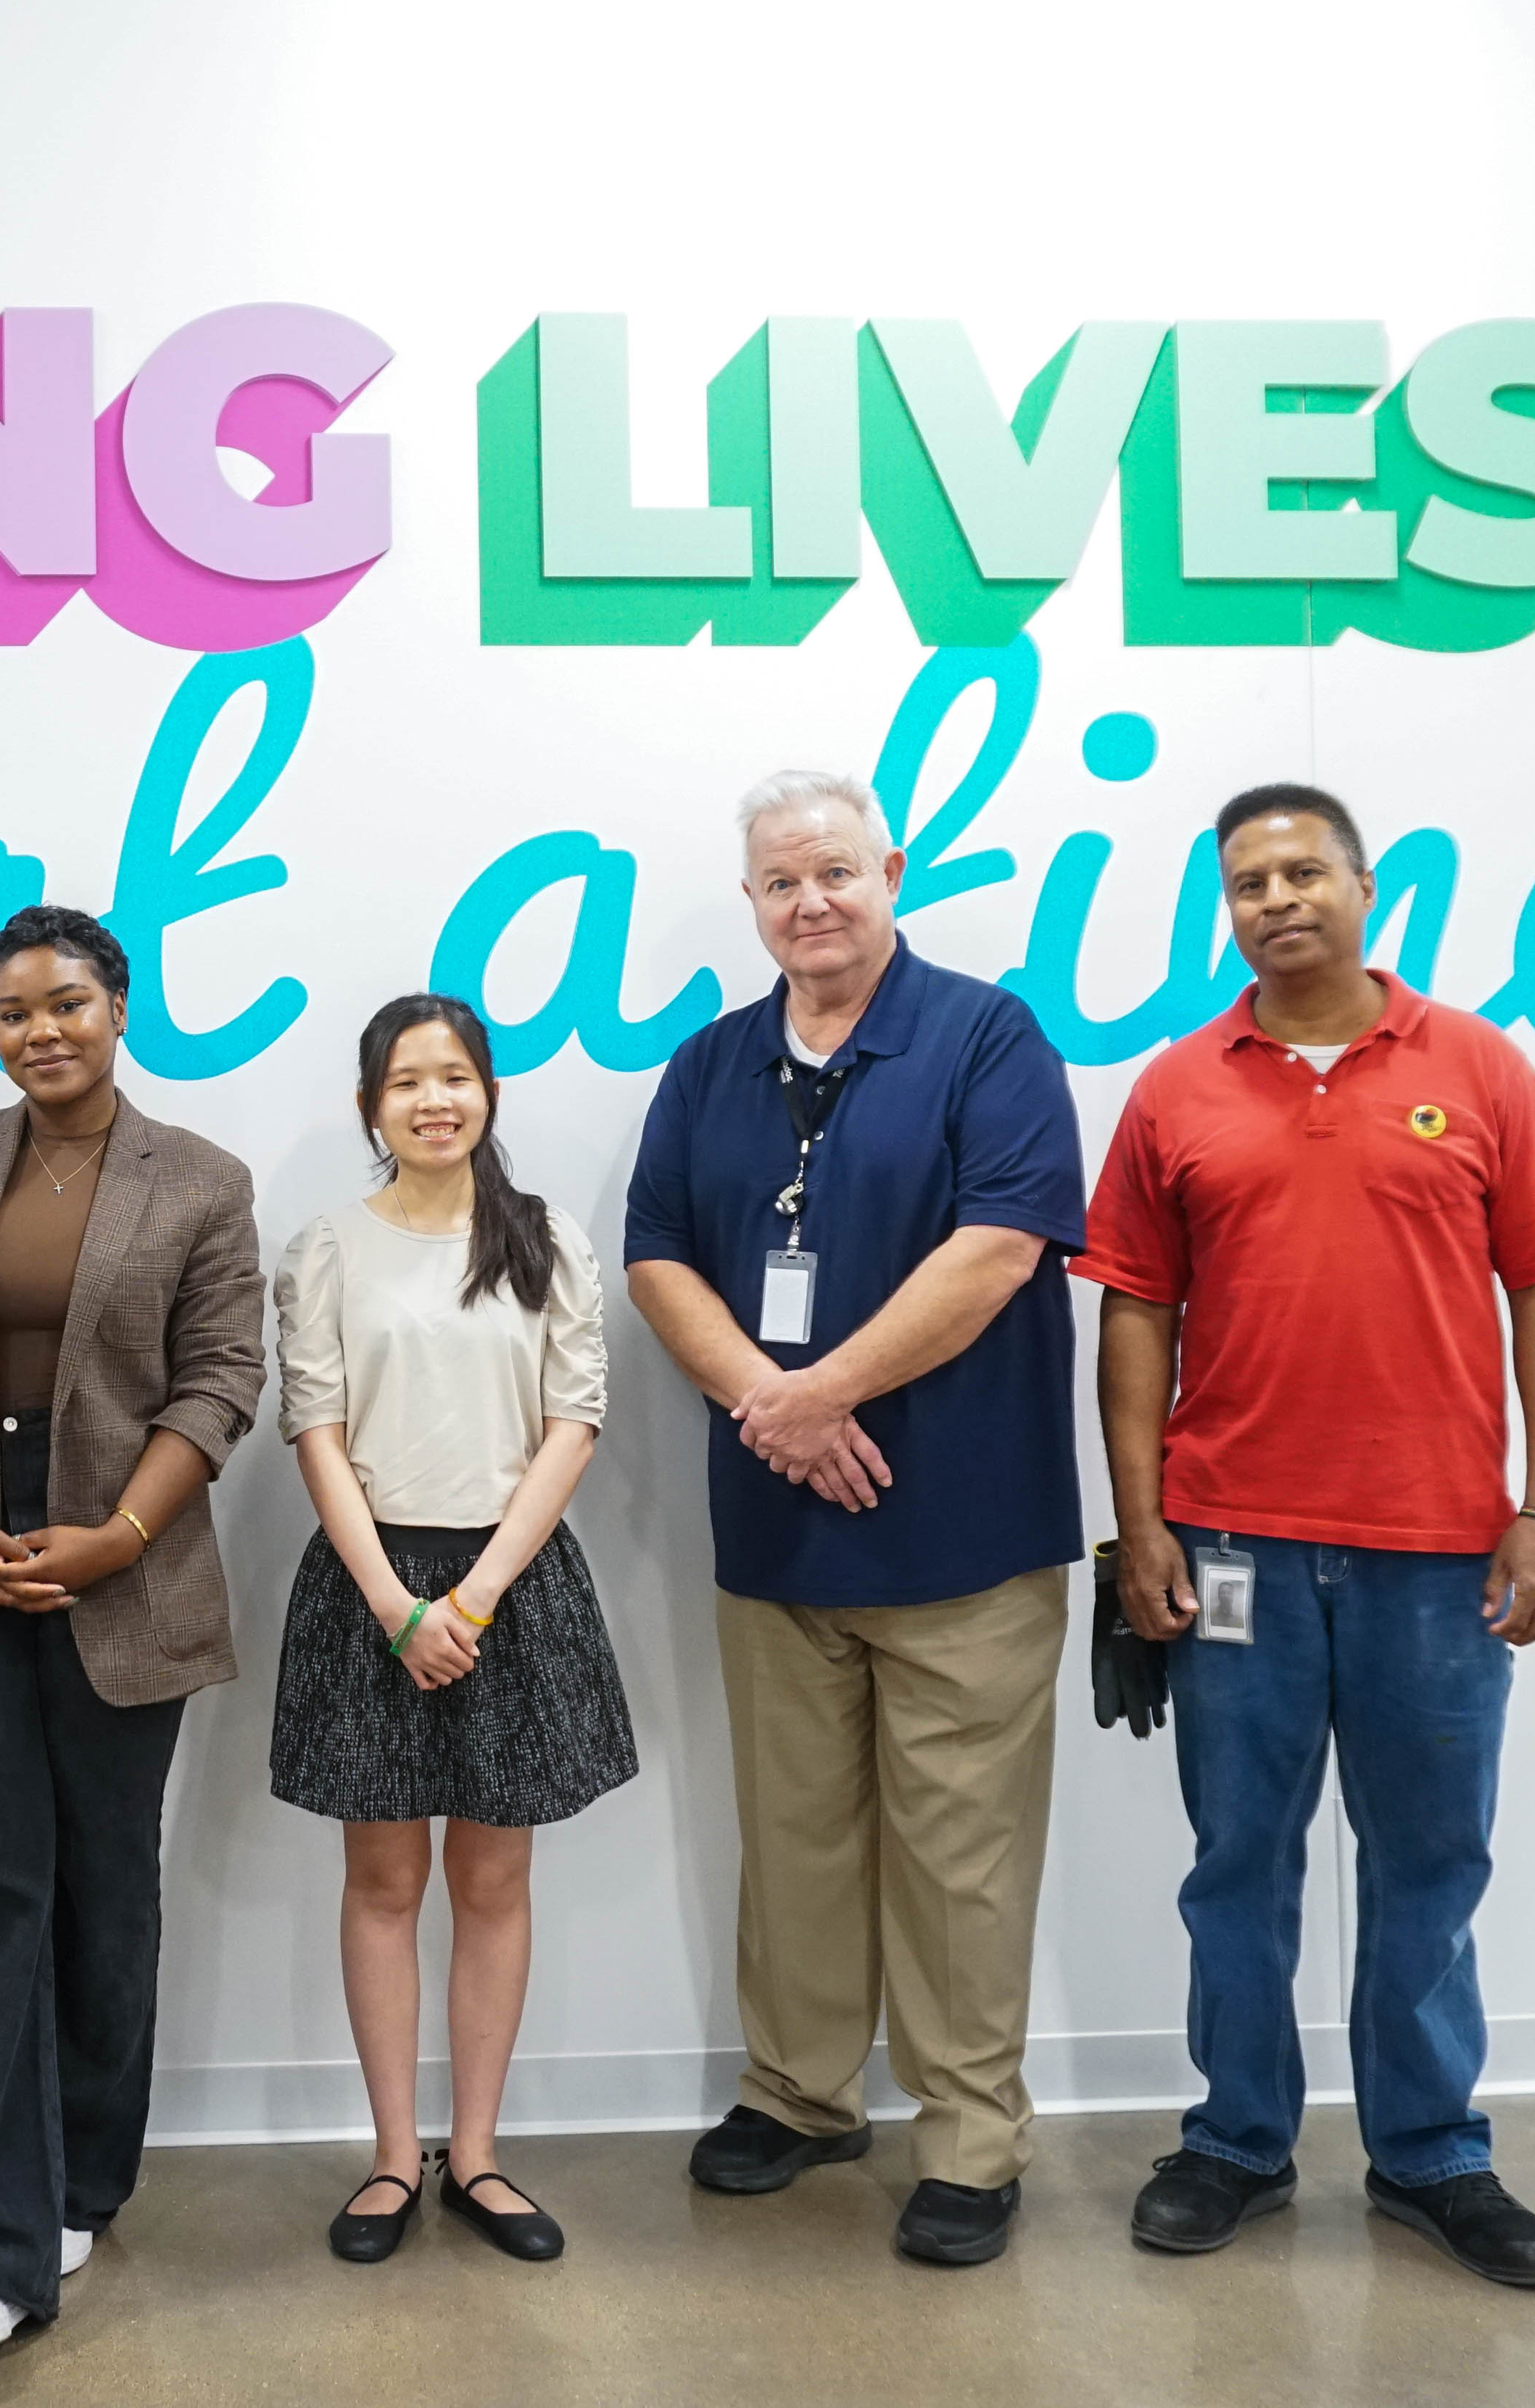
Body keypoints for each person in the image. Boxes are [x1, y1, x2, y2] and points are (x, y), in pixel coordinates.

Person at [1078, 782, 1535, 2290]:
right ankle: (1234, 2142)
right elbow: (1133, 1317)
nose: (1276, 898)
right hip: (1230, 1542)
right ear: (1224, 909)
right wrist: (1138, 1529)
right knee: (1234, 1862)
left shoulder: (1474, 1068)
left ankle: (1432, 2154)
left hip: (1435, 1554)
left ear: (1363, 887)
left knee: (1428, 1861)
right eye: (1246, 881)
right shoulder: (1176, 1088)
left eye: (1302, 869)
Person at [622, 771, 1091, 2268]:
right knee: (795, 1837)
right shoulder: (709, 1066)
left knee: (959, 1856)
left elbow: (1000, 1249)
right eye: (777, 883)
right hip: (776, 1536)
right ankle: (799, 2093)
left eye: (832, 871)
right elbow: (655, 1261)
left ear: (888, 870)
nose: (807, 902)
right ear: (750, 904)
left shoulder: (984, 1037)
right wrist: (775, 1408)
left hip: (962, 1532)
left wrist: (815, 1390)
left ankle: (966, 2140)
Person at [0, 903, 268, 2370]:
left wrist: (119, 1538)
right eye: (12, 1010)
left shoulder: (200, 1180)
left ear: (118, 1008)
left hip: (124, 1572)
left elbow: (221, 1380)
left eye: (66, 1004)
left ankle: (82, 2176)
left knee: (104, 1890)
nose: (39, 1030)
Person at [268, 994, 632, 2268]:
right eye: (406, 1081)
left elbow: (571, 1422)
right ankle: (390, 2156)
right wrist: (393, 1607)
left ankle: (473, 2155)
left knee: (493, 1880)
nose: (434, 1100)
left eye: (456, 1077)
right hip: (373, 1583)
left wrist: (471, 1600)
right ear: (371, 1105)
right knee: (381, 1879)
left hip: (507, 1583)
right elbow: (313, 1426)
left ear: (488, 1093)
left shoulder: (543, 1240)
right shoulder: (328, 1246)